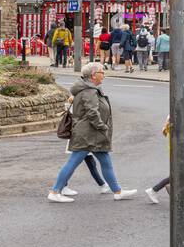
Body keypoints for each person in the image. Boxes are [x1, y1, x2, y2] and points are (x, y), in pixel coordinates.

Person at [48, 62, 137, 203]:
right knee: (72, 162)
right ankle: (55, 191)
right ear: (94, 75)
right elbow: (92, 113)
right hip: (87, 134)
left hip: (92, 134)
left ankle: (117, 191)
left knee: (106, 162)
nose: (104, 75)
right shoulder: (89, 91)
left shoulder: (89, 89)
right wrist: (102, 127)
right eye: (102, 72)